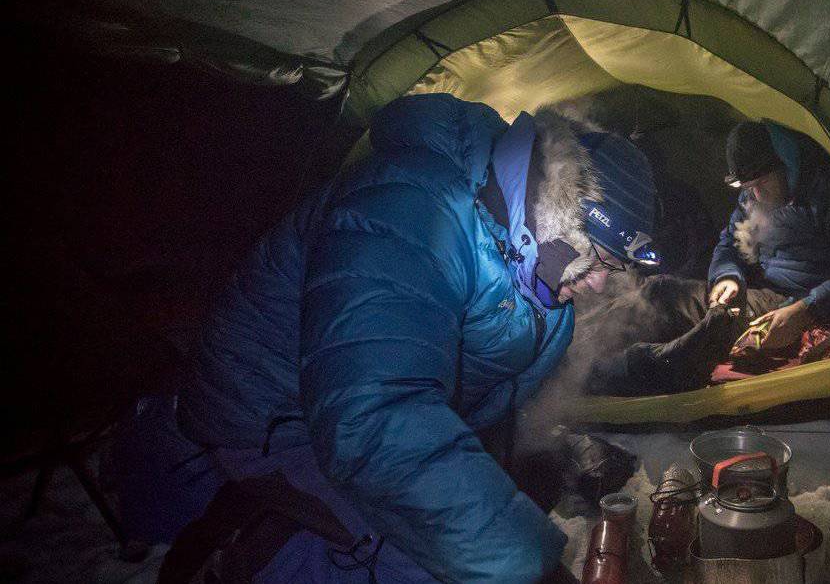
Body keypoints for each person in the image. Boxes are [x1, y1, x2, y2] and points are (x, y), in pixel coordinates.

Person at [122, 93, 659, 583]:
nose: (599, 284)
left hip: (363, 424)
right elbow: (374, 413)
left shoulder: (535, 271)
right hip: (277, 418)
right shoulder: (411, 211)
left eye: (613, 268)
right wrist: (523, 558)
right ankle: (242, 552)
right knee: (430, 566)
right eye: (598, 259)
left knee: (488, 520)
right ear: (557, 213)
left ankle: (288, 522)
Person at [707, 120, 830, 351]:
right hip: (765, 292)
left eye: (763, 182)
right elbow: (730, 242)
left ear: (786, 165)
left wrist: (808, 308)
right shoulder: (751, 197)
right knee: (673, 295)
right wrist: (726, 276)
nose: (757, 194)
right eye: (748, 186)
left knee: (703, 324)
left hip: (809, 301)